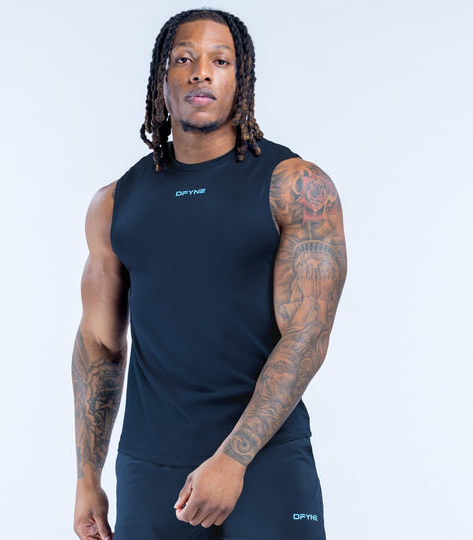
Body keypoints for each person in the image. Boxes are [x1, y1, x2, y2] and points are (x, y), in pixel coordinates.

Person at [72, 8, 347, 540]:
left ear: (241, 80)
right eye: (184, 59)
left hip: (265, 460)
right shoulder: (115, 203)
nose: (202, 71)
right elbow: (99, 345)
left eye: (221, 61)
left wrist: (233, 458)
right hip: (150, 468)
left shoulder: (295, 185)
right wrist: (88, 478)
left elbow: (307, 334)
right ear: (162, 79)